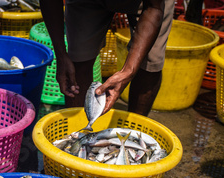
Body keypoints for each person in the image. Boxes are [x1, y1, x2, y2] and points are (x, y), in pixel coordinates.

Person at [40, 0, 175, 116]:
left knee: (150, 63)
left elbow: (154, 7)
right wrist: (61, 55)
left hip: (147, 4)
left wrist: (129, 71)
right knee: (78, 61)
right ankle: (81, 132)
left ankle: (134, 131)